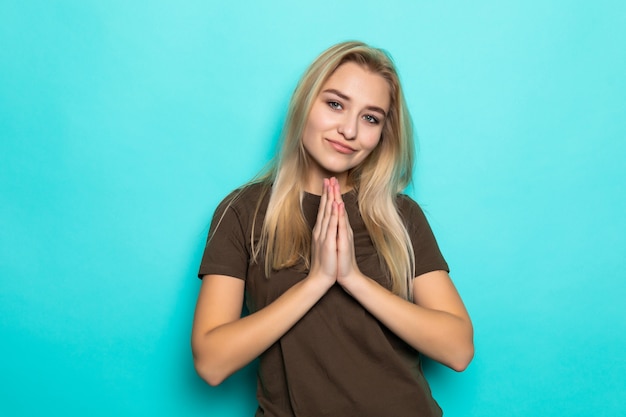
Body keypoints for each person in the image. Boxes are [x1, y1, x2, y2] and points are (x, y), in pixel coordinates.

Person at [192, 41, 474, 417]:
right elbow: (211, 362)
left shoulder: (401, 216)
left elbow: (457, 350)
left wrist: (353, 279)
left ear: (382, 136)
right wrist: (318, 281)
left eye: (370, 118)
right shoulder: (242, 212)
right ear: (305, 103)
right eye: (335, 104)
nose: (349, 130)